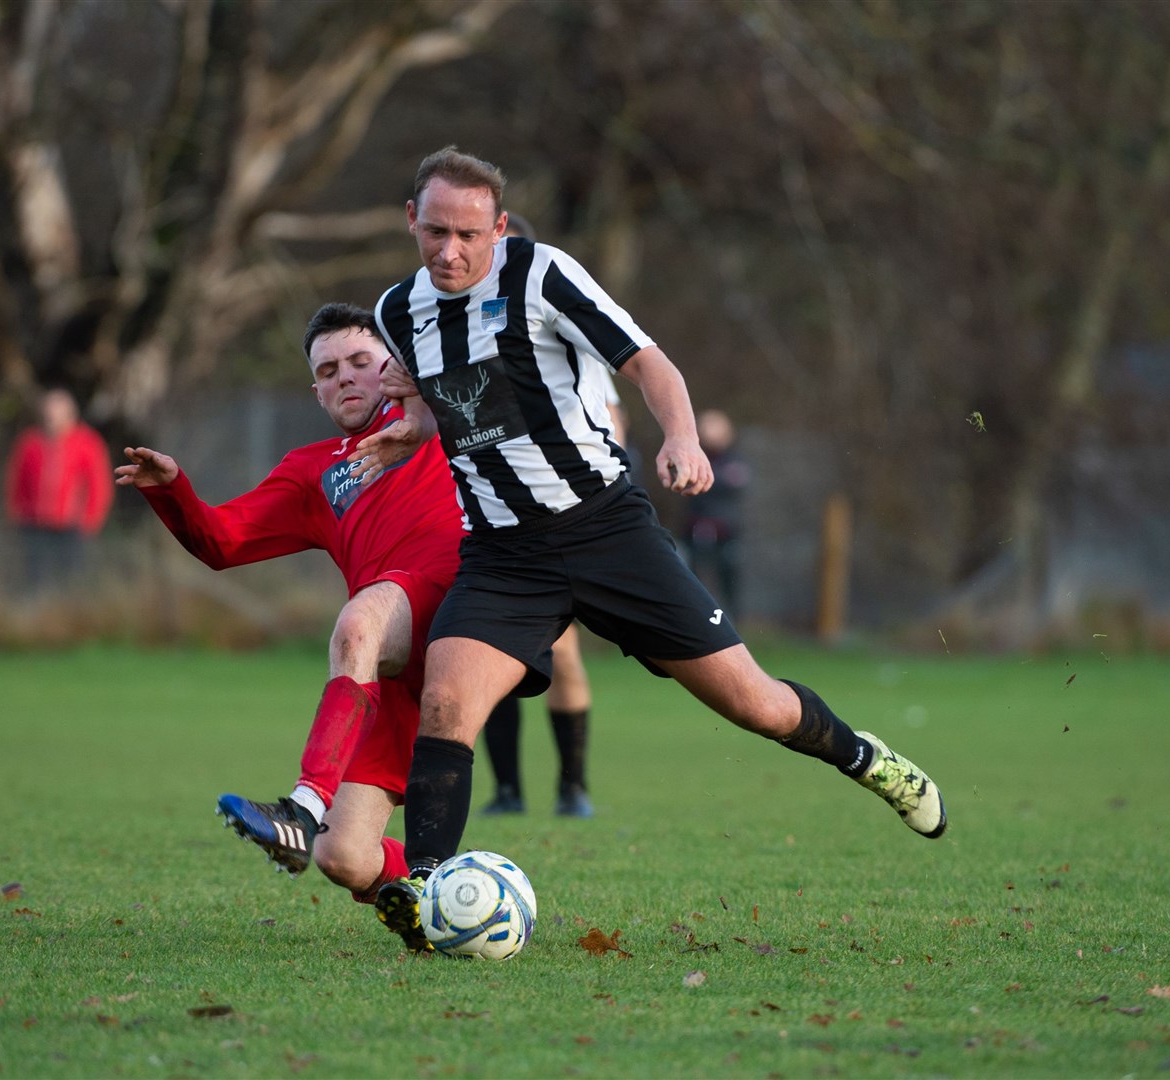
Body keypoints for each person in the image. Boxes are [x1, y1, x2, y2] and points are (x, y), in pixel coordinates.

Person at [350, 147, 947, 953]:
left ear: (496, 227)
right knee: (447, 705)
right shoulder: (396, 311)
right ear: (409, 223)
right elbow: (452, 407)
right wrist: (406, 434)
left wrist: (682, 439)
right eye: (433, 232)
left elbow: (646, 361)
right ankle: (427, 890)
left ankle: (867, 759)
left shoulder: (541, 274)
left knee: (754, 704)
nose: (448, 251)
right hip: (501, 553)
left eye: (466, 233)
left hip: (606, 531)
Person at [115, 303, 464, 910]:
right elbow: (222, 543)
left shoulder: (432, 418)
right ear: (316, 391)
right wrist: (173, 491)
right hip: (392, 662)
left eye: (361, 362)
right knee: (346, 857)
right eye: (328, 371)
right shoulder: (312, 471)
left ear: (393, 367)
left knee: (358, 620)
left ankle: (303, 806)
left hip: (456, 610)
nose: (346, 377)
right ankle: (464, 893)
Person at [477, 212, 613, 820]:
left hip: (563, 515)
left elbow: (610, 423)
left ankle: (573, 786)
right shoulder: (455, 328)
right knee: (487, 654)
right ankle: (507, 790)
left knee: (562, 655)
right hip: (490, 518)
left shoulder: (560, 322)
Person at [4, 387, 114, 590]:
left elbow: (99, 487)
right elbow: (16, 483)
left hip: (72, 528)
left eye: (55, 416)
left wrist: (90, 521)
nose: (51, 421)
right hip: (35, 526)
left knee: (72, 581)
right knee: (36, 582)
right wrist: (19, 515)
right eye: (48, 416)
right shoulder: (29, 443)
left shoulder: (88, 444)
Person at [680, 408, 748, 615]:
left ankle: (733, 620)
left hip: (727, 531)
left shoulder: (736, 458)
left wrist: (707, 478)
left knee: (729, 577)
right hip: (696, 528)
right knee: (695, 577)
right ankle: (698, 616)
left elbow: (737, 483)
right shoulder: (691, 456)